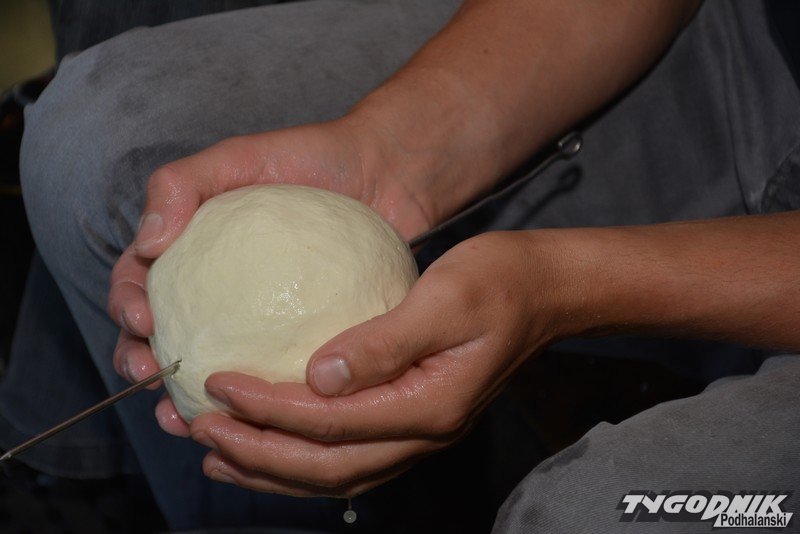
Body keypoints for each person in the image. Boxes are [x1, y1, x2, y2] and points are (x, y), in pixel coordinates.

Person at [6, 0, 800, 531]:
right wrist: (389, 152)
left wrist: (562, 284)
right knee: (90, 142)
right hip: (752, 44)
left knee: (597, 513)